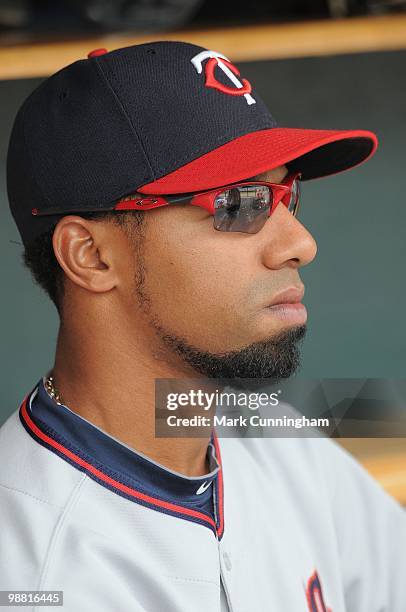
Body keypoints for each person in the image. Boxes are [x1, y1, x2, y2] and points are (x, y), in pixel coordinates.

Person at [1, 40, 405, 611]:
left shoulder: (278, 441)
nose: (300, 244)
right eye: (240, 203)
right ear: (90, 255)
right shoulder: (31, 569)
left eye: (289, 197)